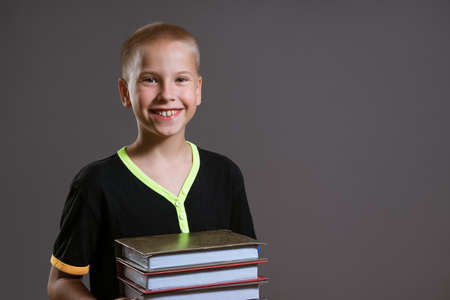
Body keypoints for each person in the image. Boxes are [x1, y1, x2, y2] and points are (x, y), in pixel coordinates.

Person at [47, 22, 256, 300]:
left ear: (198, 89)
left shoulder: (225, 174)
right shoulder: (97, 183)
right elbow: (60, 283)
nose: (167, 94)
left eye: (181, 79)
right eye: (150, 79)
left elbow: (244, 272)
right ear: (125, 92)